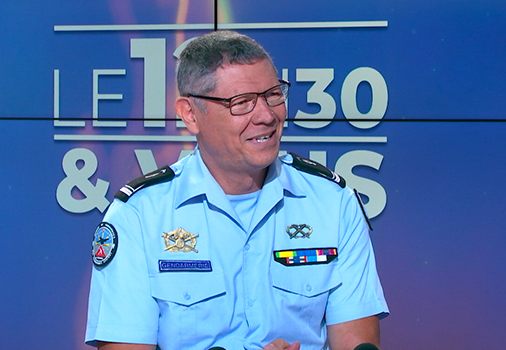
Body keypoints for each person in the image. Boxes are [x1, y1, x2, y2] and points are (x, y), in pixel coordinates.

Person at [85, 30, 389, 350]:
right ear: (190, 114)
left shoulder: (333, 202)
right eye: (241, 103)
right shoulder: (138, 215)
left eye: (274, 95)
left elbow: (359, 345)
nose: (267, 116)